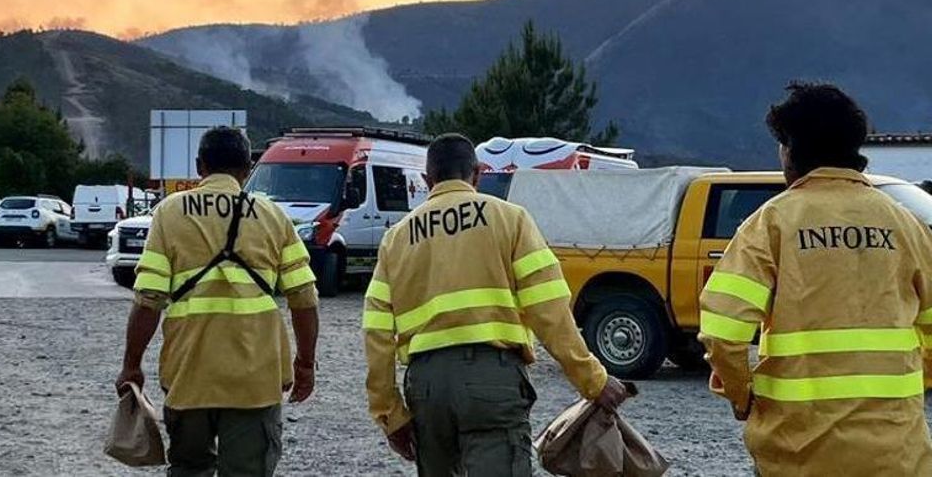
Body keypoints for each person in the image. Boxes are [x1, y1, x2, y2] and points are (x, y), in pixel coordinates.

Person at [699, 82, 932, 476]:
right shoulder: (906, 226)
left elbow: (723, 331)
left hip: (799, 453)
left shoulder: (770, 224)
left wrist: (742, 396)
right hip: (897, 454)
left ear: (791, 149)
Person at [363, 133, 628, 476]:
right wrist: (592, 379)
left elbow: (376, 332)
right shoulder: (510, 219)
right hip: (492, 381)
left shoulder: (395, 239)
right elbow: (549, 310)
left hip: (427, 386)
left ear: (427, 180)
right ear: (478, 174)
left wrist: (390, 413)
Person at [116, 126, 320, 477]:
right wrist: (305, 363)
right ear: (248, 168)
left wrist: (132, 365)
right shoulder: (273, 216)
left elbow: (148, 300)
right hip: (256, 378)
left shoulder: (170, 213)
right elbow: (304, 300)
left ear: (200, 166)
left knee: (189, 469)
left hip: (188, 372)